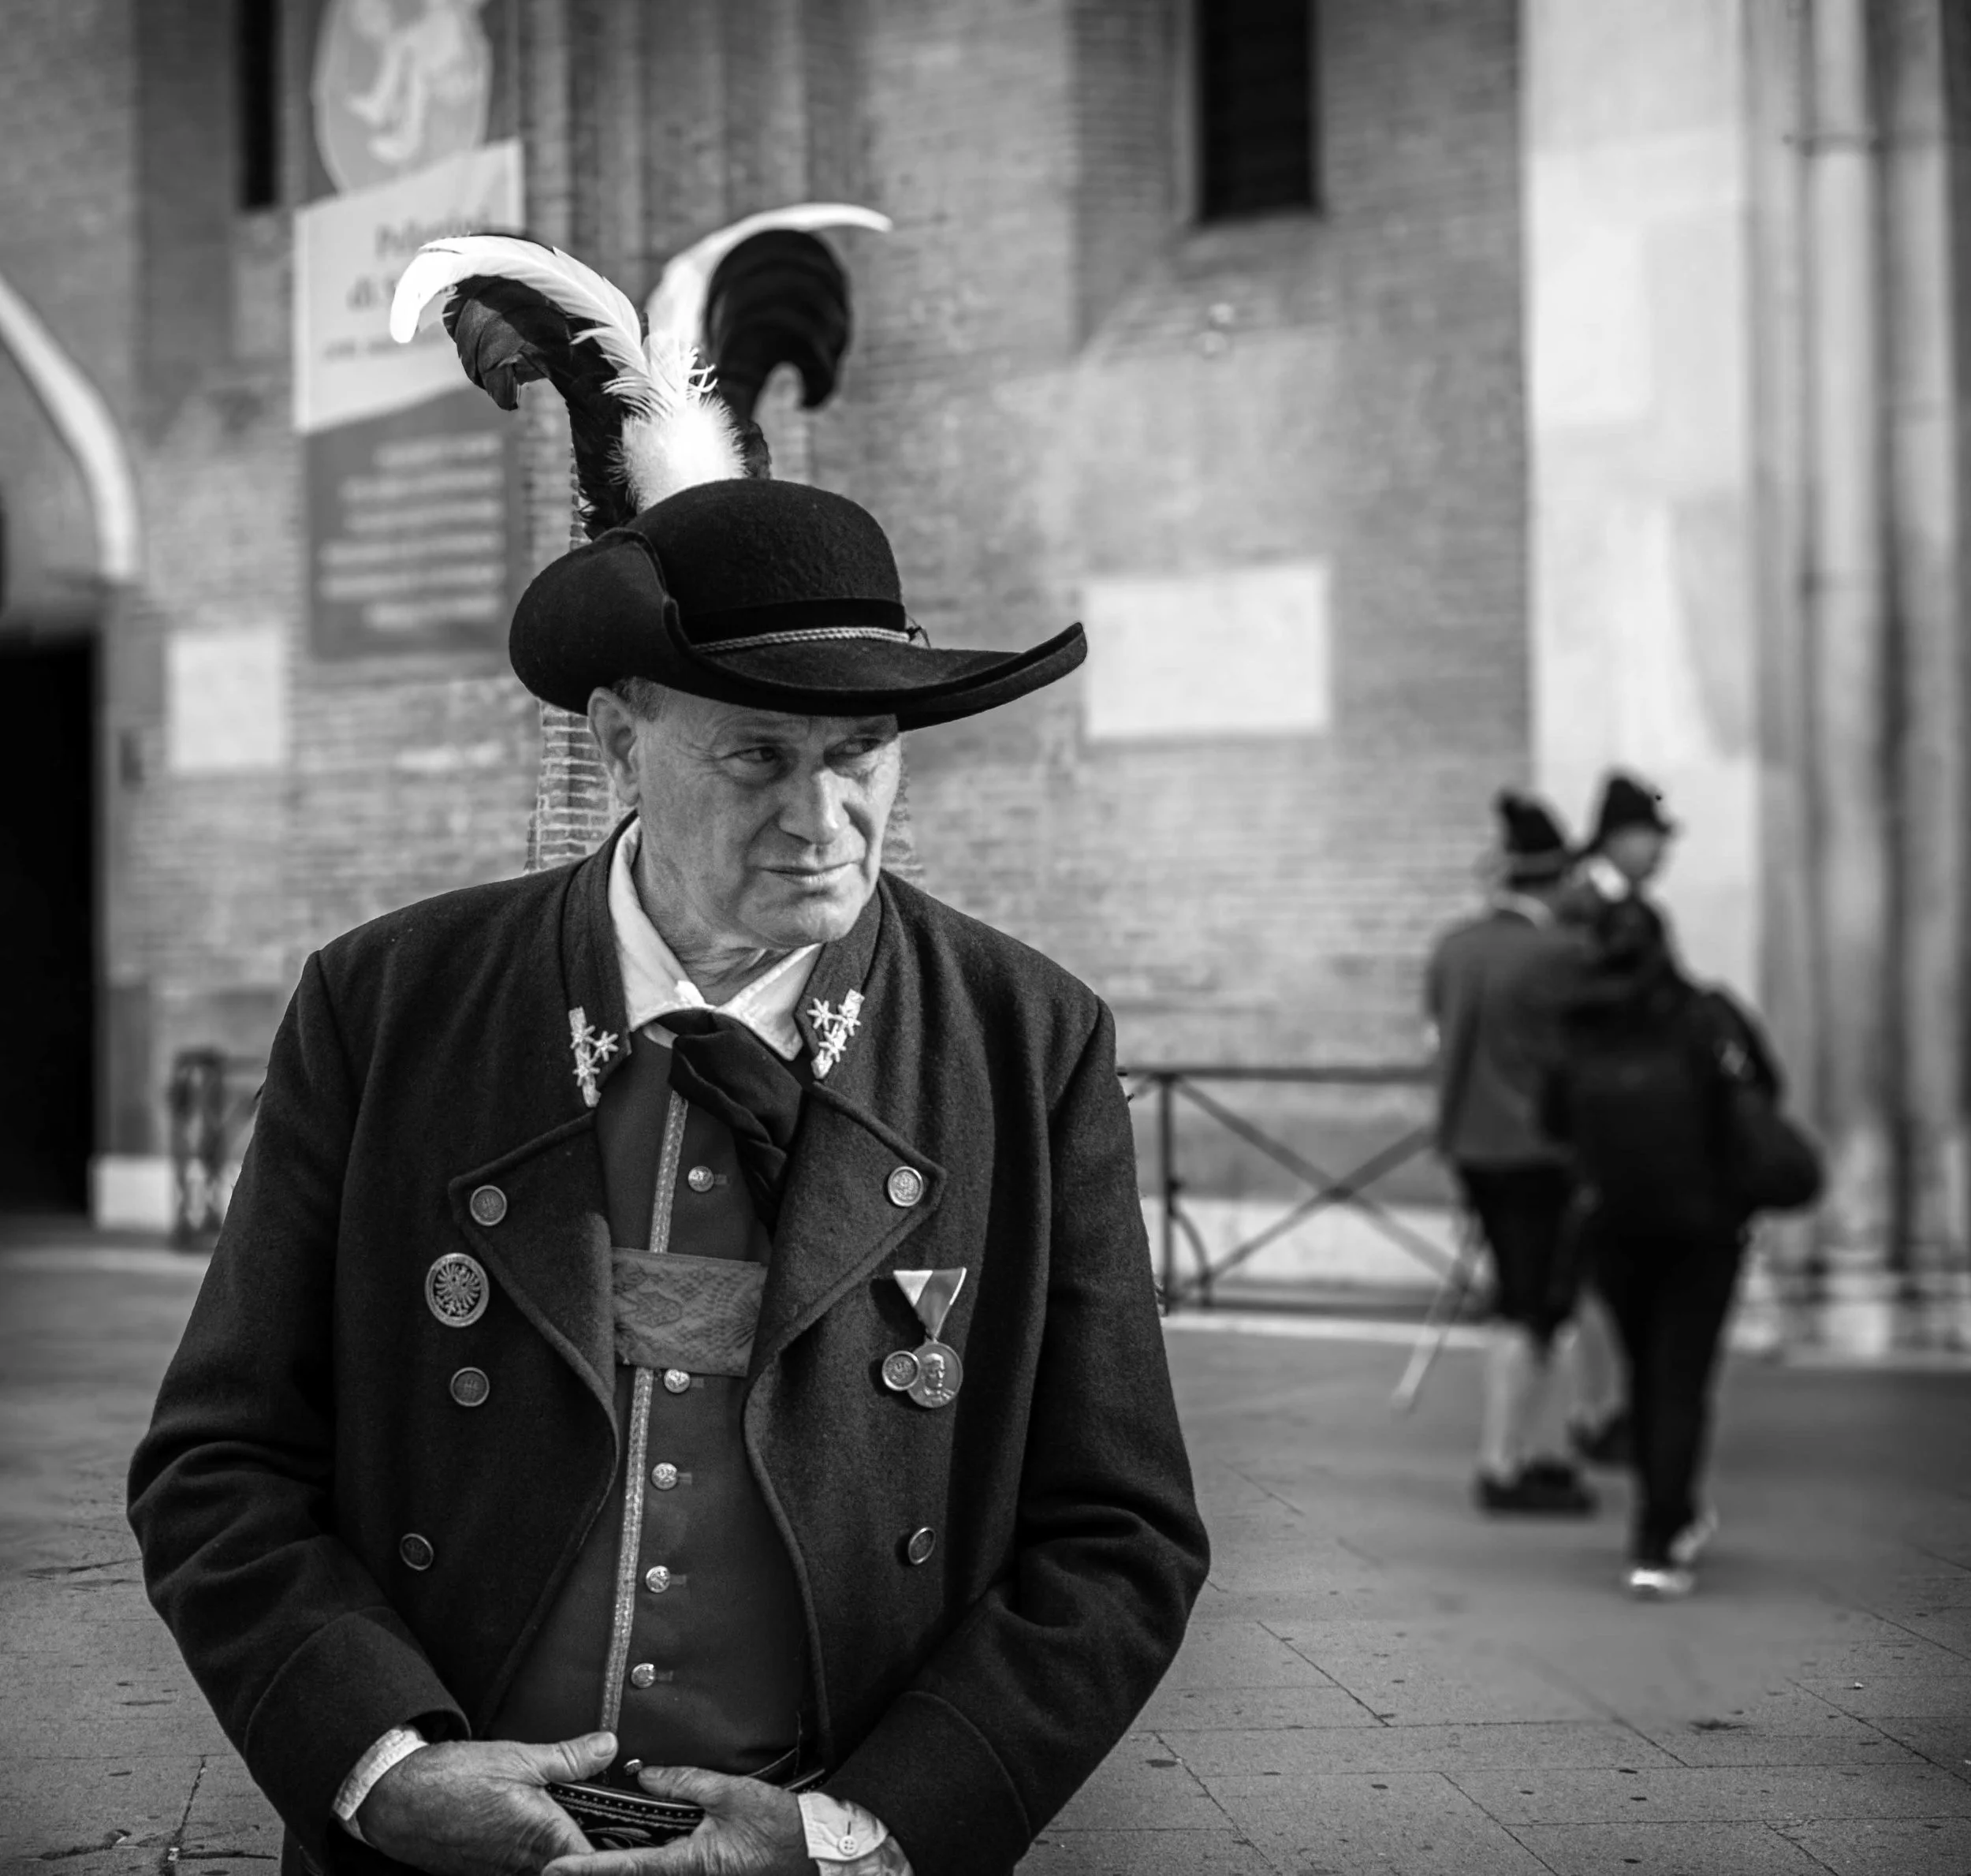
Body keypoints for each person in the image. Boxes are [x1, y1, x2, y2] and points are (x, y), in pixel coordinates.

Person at [127, 468, 1210, 1876]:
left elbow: (1120, 1531)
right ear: (621, 746)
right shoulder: (386, 1003)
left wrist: (860, 1831)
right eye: (757, 757)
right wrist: (382, 1766)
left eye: (863, 752)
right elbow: (221, 1459)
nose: (824, 818)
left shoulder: (1030, 1039)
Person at [1539, 895, 1777, 1598]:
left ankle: (1663, 1519)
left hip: (1617, 1222)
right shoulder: (1708, 1014)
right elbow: (1764, 1089)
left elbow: (1552, 1118)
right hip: (1706, 1224)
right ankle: (1660, 1532)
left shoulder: (1581, 1024)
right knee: (1682, 1377)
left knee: (1645, 1371)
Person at [1425, 791, 1596, 1516]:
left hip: (1472, 1145)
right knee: (1533, 1307)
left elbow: (1441, 1040)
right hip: (1539, 1151)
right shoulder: (1560, 953)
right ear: (1557, 879)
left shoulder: (1453, 946)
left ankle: (1528, 1450)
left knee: (1522, 1302)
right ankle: (1504, 1461)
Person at [1560, 770, 1682, 1467]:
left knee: (1619, 1273)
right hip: (1600, 1115)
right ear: (1617, 838)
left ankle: (1611, 1407)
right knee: (1595, 1276)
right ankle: (1596, 1410)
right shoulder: (1586, 909)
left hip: (1632, 1112)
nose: (1660, 851)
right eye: (1650, 836)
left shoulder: (1631, 908)